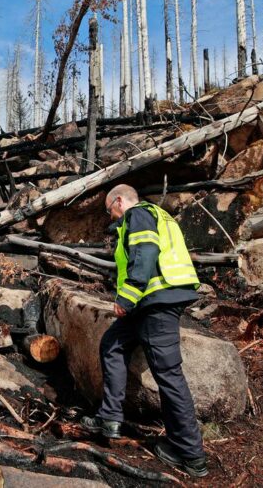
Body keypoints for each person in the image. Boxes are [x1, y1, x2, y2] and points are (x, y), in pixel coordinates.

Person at [80, 184, 208, 478]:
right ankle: (110, 418)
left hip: (156, 301)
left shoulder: (137, 215)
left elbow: (146, 254)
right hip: (148, 303)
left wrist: (127, 296)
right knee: (112, 343)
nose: (111, 217)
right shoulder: (158, 215)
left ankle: (191, 454)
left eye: (110, 210)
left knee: (168, 375)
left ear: (120, 201)